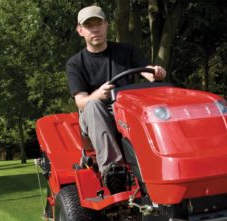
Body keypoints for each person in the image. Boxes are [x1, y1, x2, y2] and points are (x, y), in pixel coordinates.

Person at [66, 5, 166, 194]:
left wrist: (158, 73)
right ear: (80, 31)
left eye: (98, 23)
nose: (95, 29)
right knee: (94, 104)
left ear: (106, 25)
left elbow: (150, 75)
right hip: (95, 114)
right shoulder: (75, 63)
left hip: (127, 111)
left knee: (157, 103)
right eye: (89, 25)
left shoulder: (127, 51)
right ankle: (114, 171)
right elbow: (81, 101)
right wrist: (98, 94)